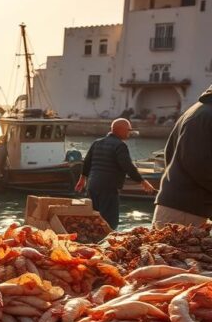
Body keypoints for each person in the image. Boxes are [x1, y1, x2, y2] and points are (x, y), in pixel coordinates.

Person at [75, 118, 155, 229]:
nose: (129, 133)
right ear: (120, 130)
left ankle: (94, 243)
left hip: (92, 186)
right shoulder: (120, 146)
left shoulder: (97, 143)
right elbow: (127, 166)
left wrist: (82, 179)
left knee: (94, 220)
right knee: (109, 222)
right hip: (108, 188)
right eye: (128, 130)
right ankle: (105, 244)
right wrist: (143, 182)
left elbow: (87, 162)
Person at [152, 86, 212, 228]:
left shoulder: (198, 111)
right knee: (173, 249)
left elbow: (170, 153)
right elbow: (198, 164)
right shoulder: (207, 115)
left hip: (181, 206)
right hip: (185, 210)